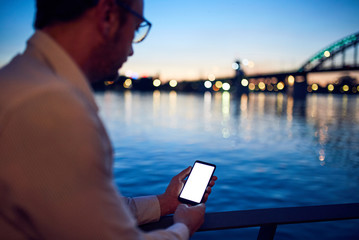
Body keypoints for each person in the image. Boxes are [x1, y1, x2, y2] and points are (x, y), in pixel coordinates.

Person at [0, 0, 217, 239]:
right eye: (136, 28)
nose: (132, 50)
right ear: (108, 17)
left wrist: (165, 203)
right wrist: (183, 228)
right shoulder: (52, 105)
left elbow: (82, 212)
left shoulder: (18, 80)